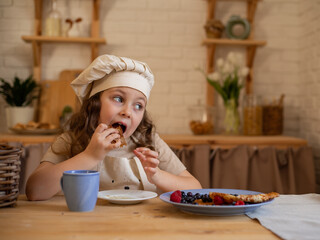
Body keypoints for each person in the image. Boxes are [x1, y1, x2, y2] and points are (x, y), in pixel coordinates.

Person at [26, 54, 201, 201]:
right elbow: (35, 191)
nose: (128, 112)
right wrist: (89, 155)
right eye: (118, 99)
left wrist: (157, 175)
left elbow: (195, 189)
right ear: (95, 104)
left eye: (138, 106)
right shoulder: (71, 139)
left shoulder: (149, 141)